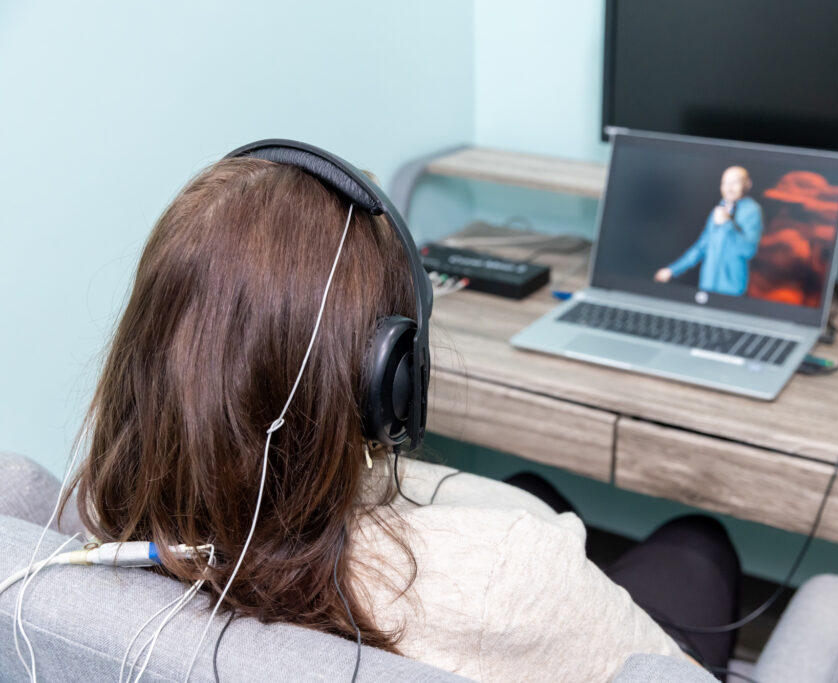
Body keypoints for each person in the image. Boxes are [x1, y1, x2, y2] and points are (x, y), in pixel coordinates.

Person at [59, 149, 740, 682]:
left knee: (535, 488)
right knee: (700, 540)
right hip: (589, 627)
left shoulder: (107, 512)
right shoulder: (510, 575)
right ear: (389, 383)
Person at [654, 166, 763, 296]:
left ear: (747, 184)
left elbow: (748, 250)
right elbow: (701, 247)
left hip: (731, 291)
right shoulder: (718, 210)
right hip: (707, 287)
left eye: (734, 183)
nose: (728, 188)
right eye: (725, 183)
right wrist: (672, 270)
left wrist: (727, 224)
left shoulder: (752, 210)